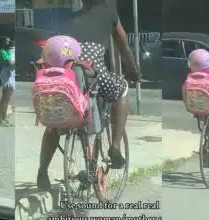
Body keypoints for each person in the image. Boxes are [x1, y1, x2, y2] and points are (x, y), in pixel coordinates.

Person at [36, 0, 140, 192]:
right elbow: (123, 46)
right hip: (92, 69)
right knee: (122, 88)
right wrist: (133, 71)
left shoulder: (71, 18)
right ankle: (115, 146)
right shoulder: (109, 10)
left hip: (66, 71)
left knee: (56, 119)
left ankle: (42, 173)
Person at [0, 36, 15, 126]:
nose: (9, 43)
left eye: (9, 41)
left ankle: (3, 118)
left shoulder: (8, 51)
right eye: (6, 41)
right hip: (6, 75)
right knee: (5, 97)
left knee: (7, 98)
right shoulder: (3, 51)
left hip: (10, 74)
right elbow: (10, 63)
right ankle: (0, 119)